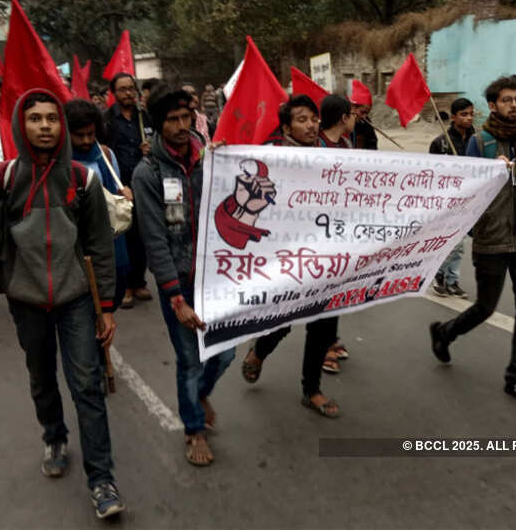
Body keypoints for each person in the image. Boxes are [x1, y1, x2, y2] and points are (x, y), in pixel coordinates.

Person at [0, 89, 125, 519]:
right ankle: (54, 434)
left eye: (52, 118)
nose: (45, 126)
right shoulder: (3, 179)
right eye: (35, 118)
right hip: (26, 300)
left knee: (87, 385)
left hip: (75, 301)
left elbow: (100, 246)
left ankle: (101, 479)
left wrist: (106, 305)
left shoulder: (82, 180)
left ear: (62, 125)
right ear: (22, 125)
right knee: (41, 378)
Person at [429, 76, 516, 409]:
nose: (514, 104)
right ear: (492, 106)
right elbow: (464, 192)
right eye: (506, 100)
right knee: (485, 307)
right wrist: (488, 173)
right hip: (491, 241)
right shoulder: (481, 142)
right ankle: (445, 332)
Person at [133, 84, 235, 466]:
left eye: (185, 118)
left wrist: (229, 162)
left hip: (217, 278)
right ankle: (193, 429)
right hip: (179, 283)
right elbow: (154, 238)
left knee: (225, 353)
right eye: (171, 120)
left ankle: (200, 393)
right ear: (158, 125)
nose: (180, 126)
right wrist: (175, 297)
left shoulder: (209, 158)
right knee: (190, 360)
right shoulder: (148, 172)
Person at [241, 95, 341, 418]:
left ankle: (311, 389)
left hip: (325, 258)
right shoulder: (271, 160)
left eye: (314, 119)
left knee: (323, 327)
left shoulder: (330, 157)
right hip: (284, 259)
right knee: (282, 321)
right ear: (286, 127)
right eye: (302, 120)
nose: (311, 125)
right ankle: (259, 351)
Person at [66, 98, 132, 312]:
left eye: (90, 134)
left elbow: (115, 189)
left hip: (110, 240)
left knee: (112, 293)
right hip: (76, 246)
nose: (86, 141)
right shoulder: (59, 163)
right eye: (79, 135)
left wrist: (125, 194)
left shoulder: (106, 155)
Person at [103, 72, 154, 308]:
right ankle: (125, 286)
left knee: (142, 233)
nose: (128, 93)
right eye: (122, 89)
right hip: (117, 184)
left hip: (142, 182)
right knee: (123, 234)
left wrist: (149, 150)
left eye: (131, 88)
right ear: (114, 93)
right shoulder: (107, 120)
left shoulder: (145, 117)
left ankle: (140, 282)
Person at [316, 94, 357, 371]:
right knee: (321, 291)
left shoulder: (346, 143)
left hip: (342, 231)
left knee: (338, 289)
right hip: (317, 232)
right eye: (353, 114)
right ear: (343, 118)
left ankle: (330, 339)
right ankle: (324, 347)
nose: (355, 118)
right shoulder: (315, 145)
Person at [428, 97, 475, 298]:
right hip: (447, 201)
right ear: (454, 117)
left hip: (470, 200)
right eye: (464, 114)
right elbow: (432, 174)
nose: (469, 118)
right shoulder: (441, 143)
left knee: (460, 244)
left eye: (471, 114)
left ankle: (452, 280)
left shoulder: (478, 140)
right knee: (452, 242)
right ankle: (440, 276)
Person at [350, 79, 378, 150]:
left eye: (367, 113)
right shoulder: (344, 122)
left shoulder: (366, 123)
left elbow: (372, 144)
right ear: (353, 107)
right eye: (362, 112)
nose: (364, 116)